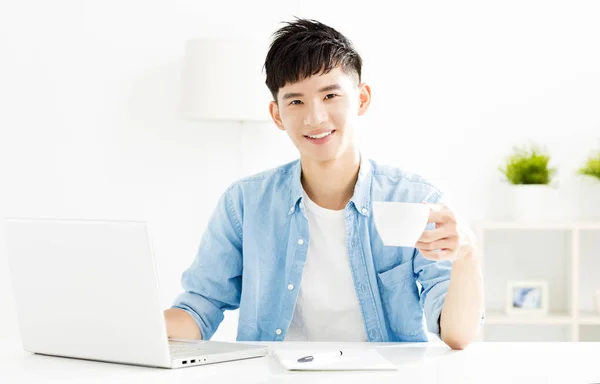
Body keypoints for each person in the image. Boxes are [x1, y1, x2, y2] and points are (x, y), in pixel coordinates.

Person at [164, 18, 483, 350]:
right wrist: (125, 326)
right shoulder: (245, 202)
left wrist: (468, 255)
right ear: (276, 114)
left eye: (330, 95)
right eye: (296, 101)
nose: (314, 118)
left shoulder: (416, 199)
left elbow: (457, 334)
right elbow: (197, 312)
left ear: (361, 99)